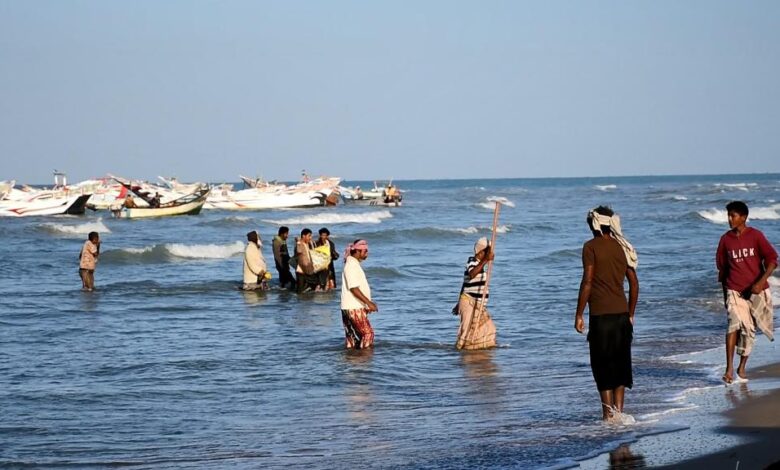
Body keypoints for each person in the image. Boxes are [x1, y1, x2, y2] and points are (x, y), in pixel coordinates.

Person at [574, 206, 639, 423]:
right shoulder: (623, 247)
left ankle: (607, 415)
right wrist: (631, 313)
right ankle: (619, 413)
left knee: (602, 366)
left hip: (601, 317)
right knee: (620, 364)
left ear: (594, 225)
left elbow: (588, 281)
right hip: (621, 315)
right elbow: (634, 282)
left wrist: (579, 314)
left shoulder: (590, 247)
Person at [716, 201, 777, 384]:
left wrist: (759, 283)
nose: (729, 219)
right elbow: (723, 269)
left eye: (733, 216)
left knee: (749, 331)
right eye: (728, 215)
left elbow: (773, 259)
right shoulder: (725, 240)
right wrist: (725, 294)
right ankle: (728, 369)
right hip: (735, 290)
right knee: (733, 324)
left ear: (743, 218)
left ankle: (741, 366)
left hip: (756, 291)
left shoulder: (756, 236)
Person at [454, 237, 498, 350]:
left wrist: (458, 302)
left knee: (488, 327)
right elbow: (472, 274)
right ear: (481, 251)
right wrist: (485, 260)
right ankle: (461, 352)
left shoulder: (481, 266)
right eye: (488, 251)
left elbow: (464, 283)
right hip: (469, 301)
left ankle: (477, 350)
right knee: (467, 330)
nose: (491, 254)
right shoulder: (472, 261)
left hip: (478, 304)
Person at [341, 239, 378, 349]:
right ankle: (364, 361)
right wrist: (369, 303)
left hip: (349, 307)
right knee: (368, 334)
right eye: (365, 251)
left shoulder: (352, 263)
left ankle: (352, 362)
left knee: (352, 338)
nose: (367, 253)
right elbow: (353, 288)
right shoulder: (351, 265)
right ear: (357, 251)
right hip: (354, 307)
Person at [294, 228, 326, 293]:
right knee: (300, 292)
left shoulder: (307, 244)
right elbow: (298, 251)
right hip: (301, 271)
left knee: (312, 286)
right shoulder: (300, 244)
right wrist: (298, 242)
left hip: (308, 270)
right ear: (303, 236)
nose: (310, 238)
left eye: (311, 236)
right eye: (309, 236)